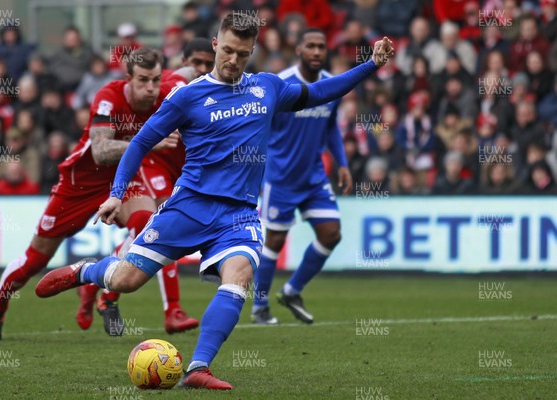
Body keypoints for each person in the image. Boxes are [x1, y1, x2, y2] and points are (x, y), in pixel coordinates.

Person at [35, 13, 394, 390]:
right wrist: (115, 194)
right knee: (126, 280)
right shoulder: (187, 96)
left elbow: (322, 92)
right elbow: (140, 142)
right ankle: (84, 273)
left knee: (239, 276)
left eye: (242, 53)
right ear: (215, 44)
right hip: (189, 206)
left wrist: (371, 64)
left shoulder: (268, 88)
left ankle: (197, 369)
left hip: (238, 214)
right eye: (227, 50)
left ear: (252, 50)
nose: (233, 60)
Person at [0, 48, 197, 341]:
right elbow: (101, 151)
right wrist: (151, 143)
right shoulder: (109, 97)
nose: (151, 88)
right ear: (128, 78)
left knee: (146, 228)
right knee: (36, 259)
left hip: (123, 181)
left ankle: (103, 289)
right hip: (79, 185)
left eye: (156, 80)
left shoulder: (166, 89)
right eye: (144, 80)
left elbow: (190, 73)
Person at [75, 38, 215, 334]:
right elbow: (103, 149)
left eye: (208, 63)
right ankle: (172, 310)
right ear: (183, 63)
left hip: (183, 172)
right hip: (154, 164)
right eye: (196, 63)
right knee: (155, 225)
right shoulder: (176, 85)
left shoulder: (219, 91)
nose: (202, 69)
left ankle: (100, 288)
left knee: (153, 230)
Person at [251, 28, 352, 325]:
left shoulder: (331, 86)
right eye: (311, 46)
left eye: (322, 46)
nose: (317, 51)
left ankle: (292, 290)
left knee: (331, 233)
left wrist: (342, 162)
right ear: (299, 50)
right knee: (275, 240)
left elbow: (331, 126)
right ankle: (259, 307)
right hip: (280, 178)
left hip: (314, 178)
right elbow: (260, 124)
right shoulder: (281, 84)